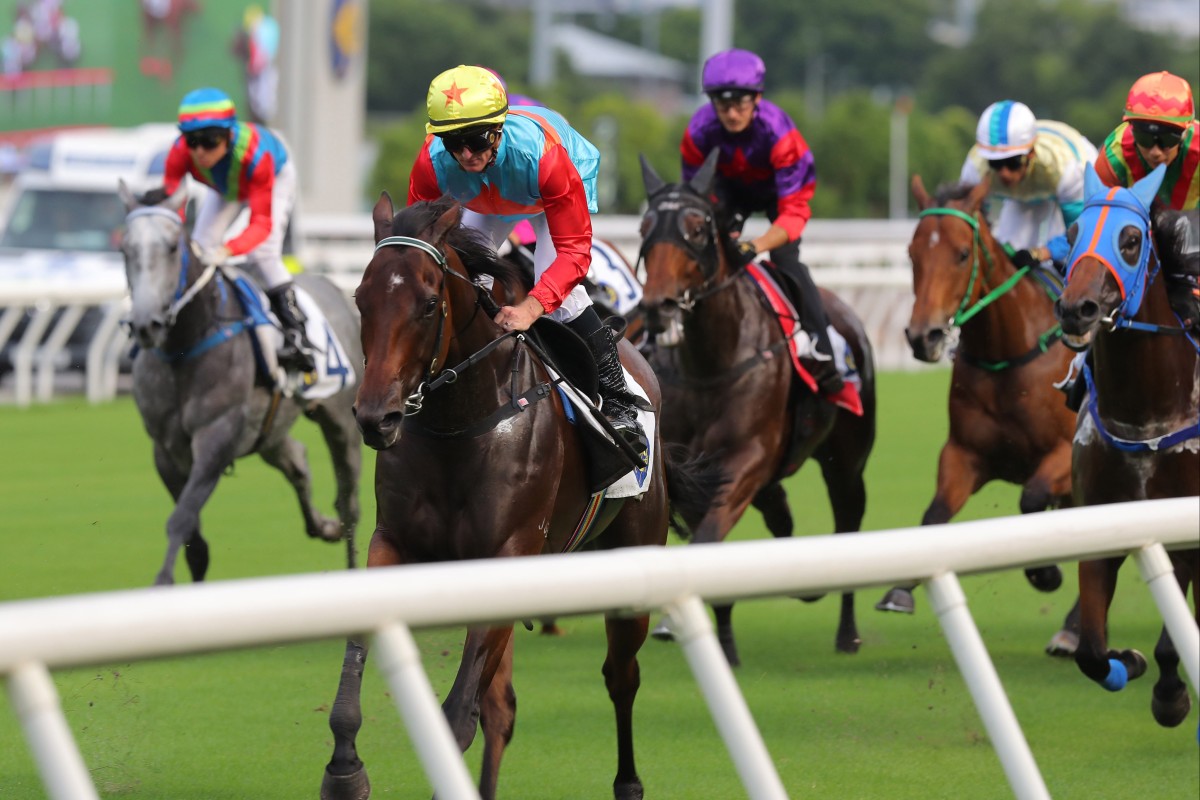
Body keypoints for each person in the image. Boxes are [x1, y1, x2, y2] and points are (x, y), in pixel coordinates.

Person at [407, 64, 647, 457]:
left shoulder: (545, 158)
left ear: (498, 129)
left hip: (552, 187)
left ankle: (619, 403)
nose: (466, 154)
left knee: (561, 296)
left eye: (476, 139)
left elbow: (574, 253)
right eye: (454, 142)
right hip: (489, 198)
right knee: (466, 281)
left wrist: (531, 309)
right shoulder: (432, 161)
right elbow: (420, 247)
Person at [680, 48, 843, 396]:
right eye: (723, 106)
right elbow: (694, 200)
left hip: (778, 194)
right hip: (729, 191)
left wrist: (755, 246)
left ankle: (822, 341)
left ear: (757, 99)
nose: (732, 113)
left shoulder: (779, 134)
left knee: (785, 260)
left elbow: (793, 213)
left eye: (741, 104)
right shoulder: (698, 132)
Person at [151, 86, 315, 373]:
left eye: (210, 140)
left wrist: (228, 249)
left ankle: (297, 333)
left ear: (228, 135)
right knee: (200, 249)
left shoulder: (256, 156)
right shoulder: (178, 154)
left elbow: (261, 225)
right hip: (225, 185)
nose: (200, 151)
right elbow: (173, 213)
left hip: (271, 176)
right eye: (192, 141)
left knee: (262, 255)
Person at [1095, 70, 1198, 331]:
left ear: (1185, 133)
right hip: (1138, 240)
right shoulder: (1113, 158)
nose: (1154, 151)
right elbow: (1099, 232)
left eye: (1167, 139)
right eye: (1143, 137)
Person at [960, 100, 1098, 271]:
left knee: (1067, 261)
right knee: (1009, 252)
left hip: (1070, 185)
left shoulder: (1068, 169)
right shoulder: (975, 168)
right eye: (995, 163)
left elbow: (1082, 229)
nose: (1004, 173)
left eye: (1013, 162)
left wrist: (1042, 253)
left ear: (1031, 153)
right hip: (1023, 193)